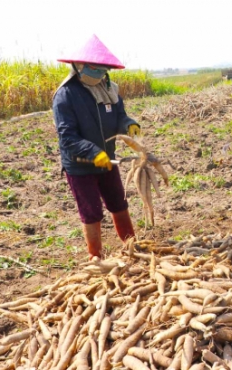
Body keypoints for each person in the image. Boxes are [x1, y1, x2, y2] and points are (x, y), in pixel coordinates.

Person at [52, 34, 140, 260]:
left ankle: (131, 247)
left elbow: (120, 116)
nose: (99, 73)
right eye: (95, 68)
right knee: (91, 212)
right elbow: (67, 137)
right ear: (79, 65)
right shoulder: (66, 95)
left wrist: (129, 125)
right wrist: (93, 153)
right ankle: (96, 257)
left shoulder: (109, 89)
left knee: (118, 203)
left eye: (102, 69)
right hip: (80, 166)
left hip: (107, 160)